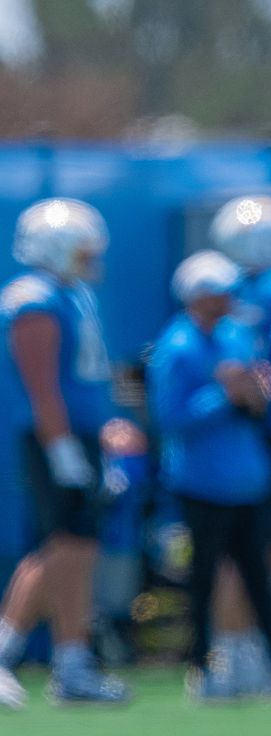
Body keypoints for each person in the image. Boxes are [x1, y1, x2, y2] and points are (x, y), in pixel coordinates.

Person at [148, 250, 271, 701]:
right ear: (197, 297)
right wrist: (224, 396)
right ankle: (201, 668)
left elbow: (260, 402)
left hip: (247, 479)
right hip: (200, 482)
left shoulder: (237, 336)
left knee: (258, 578)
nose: (228, 298)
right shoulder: (177, 346)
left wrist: (253, 395)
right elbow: (170, 419)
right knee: (202, 578)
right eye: (218, 291)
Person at [0, 197, 131, 707]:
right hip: (53, 437)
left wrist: (103, 433)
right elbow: (42, 386)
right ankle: (6, 648)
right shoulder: (33, 300)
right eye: (80, 249)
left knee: (82, 548)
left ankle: (72, 665)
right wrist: (61, 449)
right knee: (64, 545)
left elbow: (86, 379)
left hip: (79, 437)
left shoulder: (72, 294)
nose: (91, 257)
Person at [208, 195, 271, 691]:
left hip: (255, 434)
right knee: (259, 546)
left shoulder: (234, 292)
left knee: (252, 547)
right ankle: (237, 651)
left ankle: (236, 650)